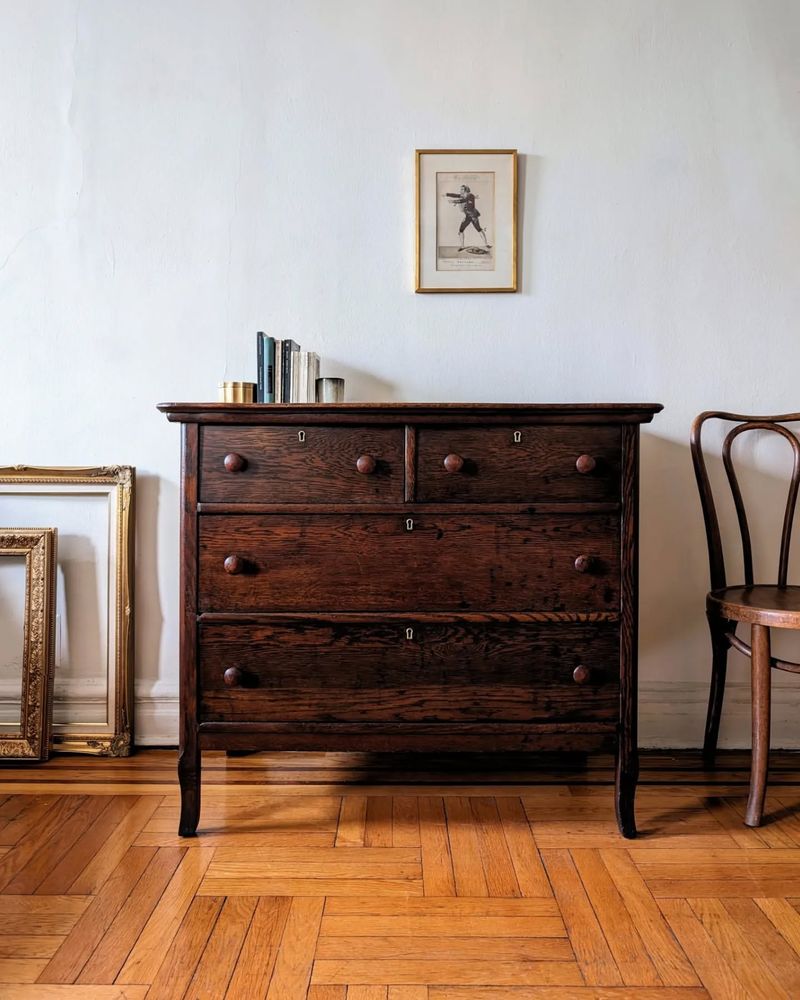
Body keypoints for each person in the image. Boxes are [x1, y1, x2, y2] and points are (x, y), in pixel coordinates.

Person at [445, 185, 491, 251]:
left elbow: (463, 201)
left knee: (479, 229)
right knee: (461, 230)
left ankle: (486, 245)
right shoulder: (463, 195)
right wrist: (446, 194)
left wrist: (453, 201)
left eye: (462, 189)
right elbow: (455, 195)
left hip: (473, 216)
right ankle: (462, 246)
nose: (460, 191)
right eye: (460, 189)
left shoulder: (470, 196)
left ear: (466, 190)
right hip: (467, 216)